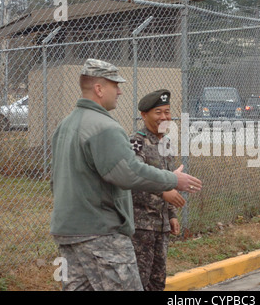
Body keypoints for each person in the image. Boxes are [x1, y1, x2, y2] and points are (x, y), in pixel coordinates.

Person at [50, 59, 202, 291]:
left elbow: (55, 180)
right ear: (99, 89)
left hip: (69, 232)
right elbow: (128, 173)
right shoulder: (105, 127)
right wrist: (173, 180)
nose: (120, 91)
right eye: (115, 85)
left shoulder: (66, 125)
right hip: (101, 234)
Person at [130, 89, 184, 291]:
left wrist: (172, 214)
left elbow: (170, 180)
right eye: (158, 112)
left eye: (167, 112)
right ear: (145, 115)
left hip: (161, 226)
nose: (164, 117)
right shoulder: (136, 142)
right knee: (138, 281)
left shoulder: (166, 143)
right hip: (141, 226)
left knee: (157, 281)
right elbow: (134, 177)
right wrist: (162, 192)